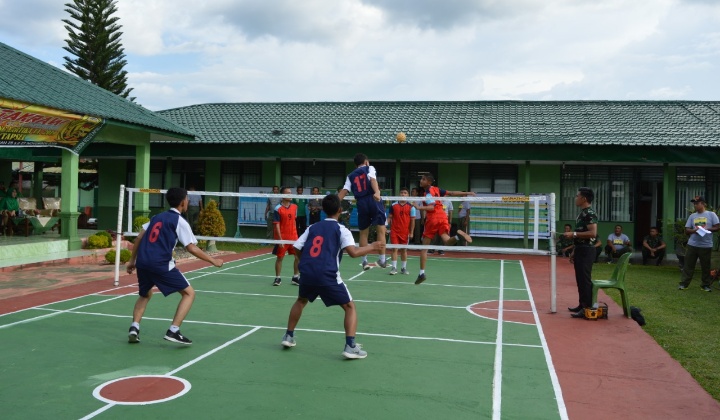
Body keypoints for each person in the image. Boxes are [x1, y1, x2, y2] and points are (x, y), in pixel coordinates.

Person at [280, 194, 381, 359]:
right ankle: (350, 346)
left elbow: (297, 246)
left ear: (323, 210)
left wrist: (304, 259)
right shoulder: (341, 229)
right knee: (349, 307)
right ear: (340, 210)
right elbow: (354, 253)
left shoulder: (312, 227)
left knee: (301, 300)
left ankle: (288, 336)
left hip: (307, 272)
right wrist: (372, 246)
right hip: (327, 275)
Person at [126, 187, 223, 345]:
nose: (189, 201)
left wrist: (132, 261)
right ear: (183, 202)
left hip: (143, 262)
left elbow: (138, 239)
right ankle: (174, 330)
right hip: (160, 264)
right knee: (189, 294)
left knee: (145, 294)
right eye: (187, 199)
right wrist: (213, 261)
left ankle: (134, 327)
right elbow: (191, 247)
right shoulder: (179, 221)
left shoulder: (157, 217)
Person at [415, 173, 474, 284]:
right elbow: (452, 193)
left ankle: (421, 273)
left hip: (433, 218)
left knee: (424, 248)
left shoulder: (427, 193)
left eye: (423, 179)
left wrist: (418, 207)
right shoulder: (437, 190)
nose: (421, 181)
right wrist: (468, 193)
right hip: (443, 216)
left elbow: (431, 207)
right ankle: (457, 236)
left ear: (429, 182)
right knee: (447, 241)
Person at [337, 153, 388, 270]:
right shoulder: (370, 168)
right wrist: (377, 192)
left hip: (361, 202)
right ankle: (382, 259)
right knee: (381, 230)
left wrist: (334, 203)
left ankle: (364, 261)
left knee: (363, 233)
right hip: (373, 199)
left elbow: (344, 191)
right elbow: (373, 180)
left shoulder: (350, 176)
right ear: (366, 162)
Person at [563, 187, 598, 318]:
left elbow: (593, 233)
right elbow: (580, 236)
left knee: (585, 279)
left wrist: (574, 233)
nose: (575, 198)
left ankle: (587, 307)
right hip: (580, 249)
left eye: (577, 196)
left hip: (587, 251)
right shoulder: (582, 213)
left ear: (584, 198)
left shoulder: (590, 213)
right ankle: (582, 304)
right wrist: (574, 250)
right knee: (580, 279)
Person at [678, 196, 720, 292]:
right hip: (692, 244)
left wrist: (706, 229)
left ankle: (705, 285)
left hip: (706, 245)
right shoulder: (692, 216)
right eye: (694, 203)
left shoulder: (711, 214)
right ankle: (684, 284)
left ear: (703, 204)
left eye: (697, 203)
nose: (695, 205)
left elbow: (717, 227)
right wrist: (694, 230)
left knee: (705, 266)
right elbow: (687, 230)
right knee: (688, 265)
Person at [272, 187, 300, 286]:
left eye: (291, 193)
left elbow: (294, 222)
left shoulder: (295, 207)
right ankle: (278, 278)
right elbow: (277, 225)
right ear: (283, 195)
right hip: (282, 237)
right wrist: (280, 240)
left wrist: (296, 236)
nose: (290, 194)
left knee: (298, 257)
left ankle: (295, 277)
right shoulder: (277, 209)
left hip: (293, 237)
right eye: (288, 193)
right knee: (280, 258)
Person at [388, 187, 416, 275]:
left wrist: (411, 232)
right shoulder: (393, 205)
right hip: (394, 231)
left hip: (405, 232)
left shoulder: (411, 207)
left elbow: (412, 221)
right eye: (401, 193)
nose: (403, 194)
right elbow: (389, 217)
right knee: (394, 249)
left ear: (408, 195)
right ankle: (394, 268)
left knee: (404, 250)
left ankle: (403, 268)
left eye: (405, 193)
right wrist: (385, 227)